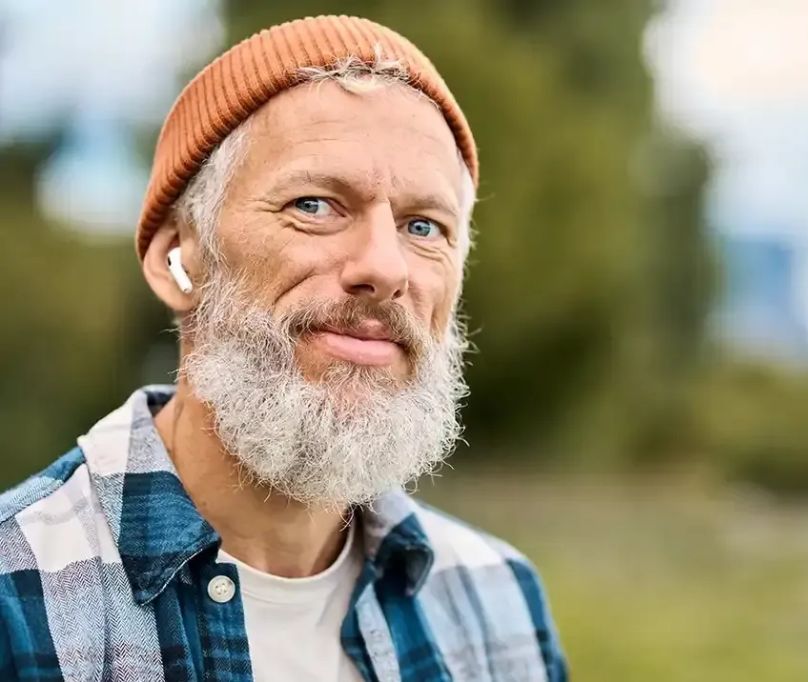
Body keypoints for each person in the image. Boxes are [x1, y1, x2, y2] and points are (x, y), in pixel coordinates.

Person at [0, 15, 566, 682]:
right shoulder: (18, 596)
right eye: (316, 205)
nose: (385, 267)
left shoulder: (498, 607)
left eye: (423, 226)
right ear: (176, 257)